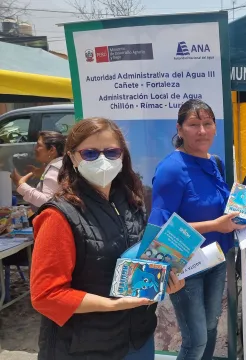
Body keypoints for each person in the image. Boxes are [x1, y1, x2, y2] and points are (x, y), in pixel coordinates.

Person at [30, 118, 185, 360]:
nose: (103, 160)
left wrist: (165, 277)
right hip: (86, 347)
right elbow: (46, 296)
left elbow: (137, 264)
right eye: (90, 153)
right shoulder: (59, 216)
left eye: (112, 152)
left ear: (122, 156)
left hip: (138, 337)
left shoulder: (132, 202)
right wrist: (112, 305)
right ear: (72, 157)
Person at [149, 99, 246, 360]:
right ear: (180, 130)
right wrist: (215, 226)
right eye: (193, 125)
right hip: (186, 265)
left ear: (215, 127)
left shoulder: (214, 162)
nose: (202, 131)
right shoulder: (171, 168)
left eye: (207, 124)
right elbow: (161, 228)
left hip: (216, 258)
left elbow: (217, 204)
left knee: (212, 327)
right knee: (196, 340)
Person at [11, 131, 66, 209]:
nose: (35, 149)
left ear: (51, 150)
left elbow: (47, 202)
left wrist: (21, 185)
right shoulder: (61, 164)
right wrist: (41, 173)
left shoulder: (54, 170)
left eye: (39, 145)